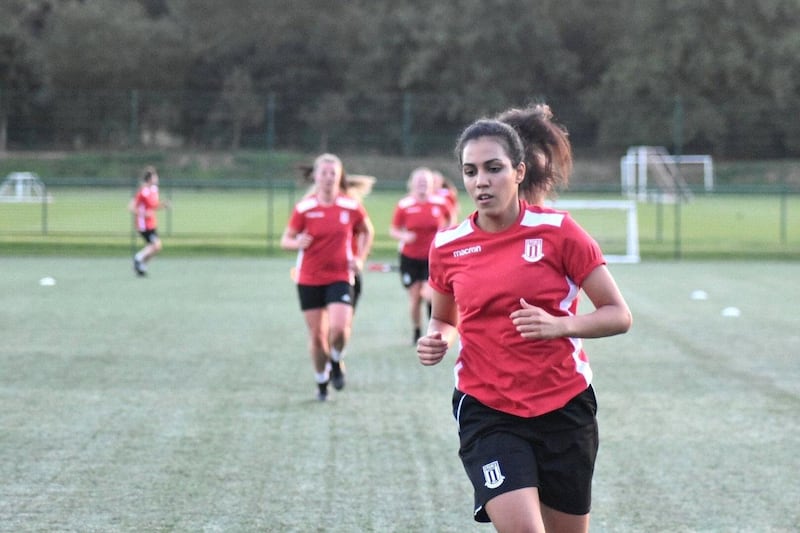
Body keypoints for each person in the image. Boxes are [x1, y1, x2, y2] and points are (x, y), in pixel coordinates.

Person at [416, 116, 632, 532]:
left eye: (493, 168)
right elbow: (444, 318)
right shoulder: (446, 247)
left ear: (519, 172)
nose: (481, 181)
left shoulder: (560, 233)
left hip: (565, 407)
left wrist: (559, 326)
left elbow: (618, 315)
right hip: (487, 409)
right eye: (470, 171)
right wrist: (436, 338)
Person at [281, 153, 375, 401]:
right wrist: (296, 242)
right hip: (309, 278)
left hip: (340, 275)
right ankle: (321, 381)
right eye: (323, 172)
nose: (328, 177)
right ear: (315, 176)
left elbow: (367, 231)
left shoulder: (350, 206)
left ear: (340, 176)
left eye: (333, 173)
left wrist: (360, 258)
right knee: (317, 336)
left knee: (339, 330)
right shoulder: (304, 208)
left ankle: (336, 360)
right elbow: (286, 239)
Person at [389, 167, 449, 344]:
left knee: (428, 294)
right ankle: (416, 330)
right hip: (410, 258)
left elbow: (450, 220)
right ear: (412, 184)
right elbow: (393, 230)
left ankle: (433, 331)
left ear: (432, 184)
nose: (422, 184)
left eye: (426, 181)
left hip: (432, 258)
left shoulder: (441, 203)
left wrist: (444, 234)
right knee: (415, 298)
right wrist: (404, 236)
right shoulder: (404, 205)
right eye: (419, 181)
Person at [128, 166, 170, 276]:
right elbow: (131, 207)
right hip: (143, 225)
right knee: (156, 245)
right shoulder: (142, 191)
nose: (157, 178)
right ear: (149, 179)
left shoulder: (154, 190)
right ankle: (138, 258)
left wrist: (163, 205)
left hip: (151, 224)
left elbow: (153, 206)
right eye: (155, 176)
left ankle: (141, 265)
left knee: (155, 247)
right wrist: (143, 213)